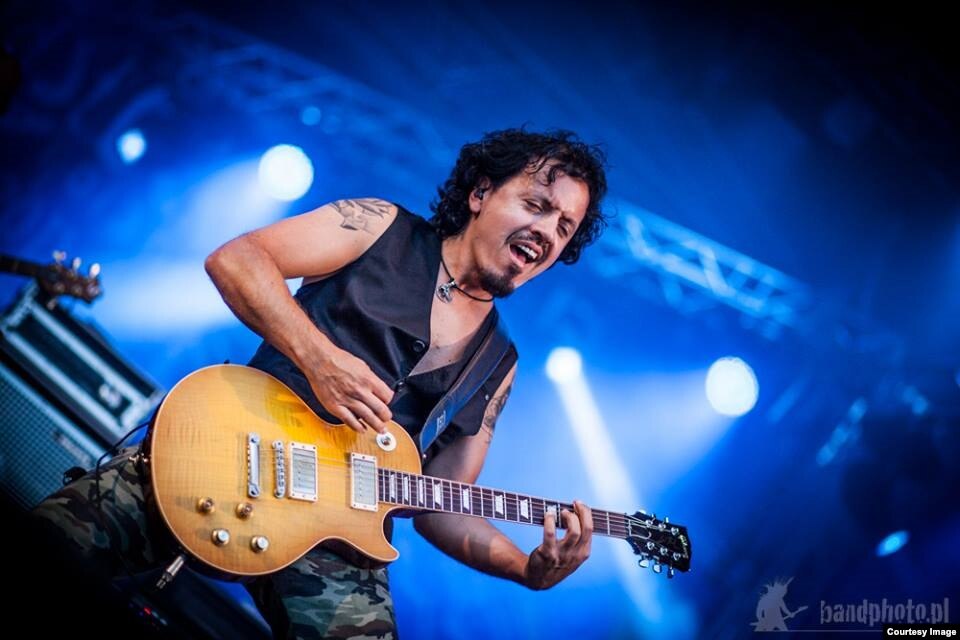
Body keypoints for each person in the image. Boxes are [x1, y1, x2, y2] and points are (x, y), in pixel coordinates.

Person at [27, 128, 609, 639]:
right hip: (223, 454)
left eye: (564, 227)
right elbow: (237, 261)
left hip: (336, 542)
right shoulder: (379, 227)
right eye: (536, 204)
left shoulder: (498, 362)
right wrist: (319, 359)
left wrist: (525, 569)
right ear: (481, 192)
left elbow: (444, 504)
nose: (547, 232)